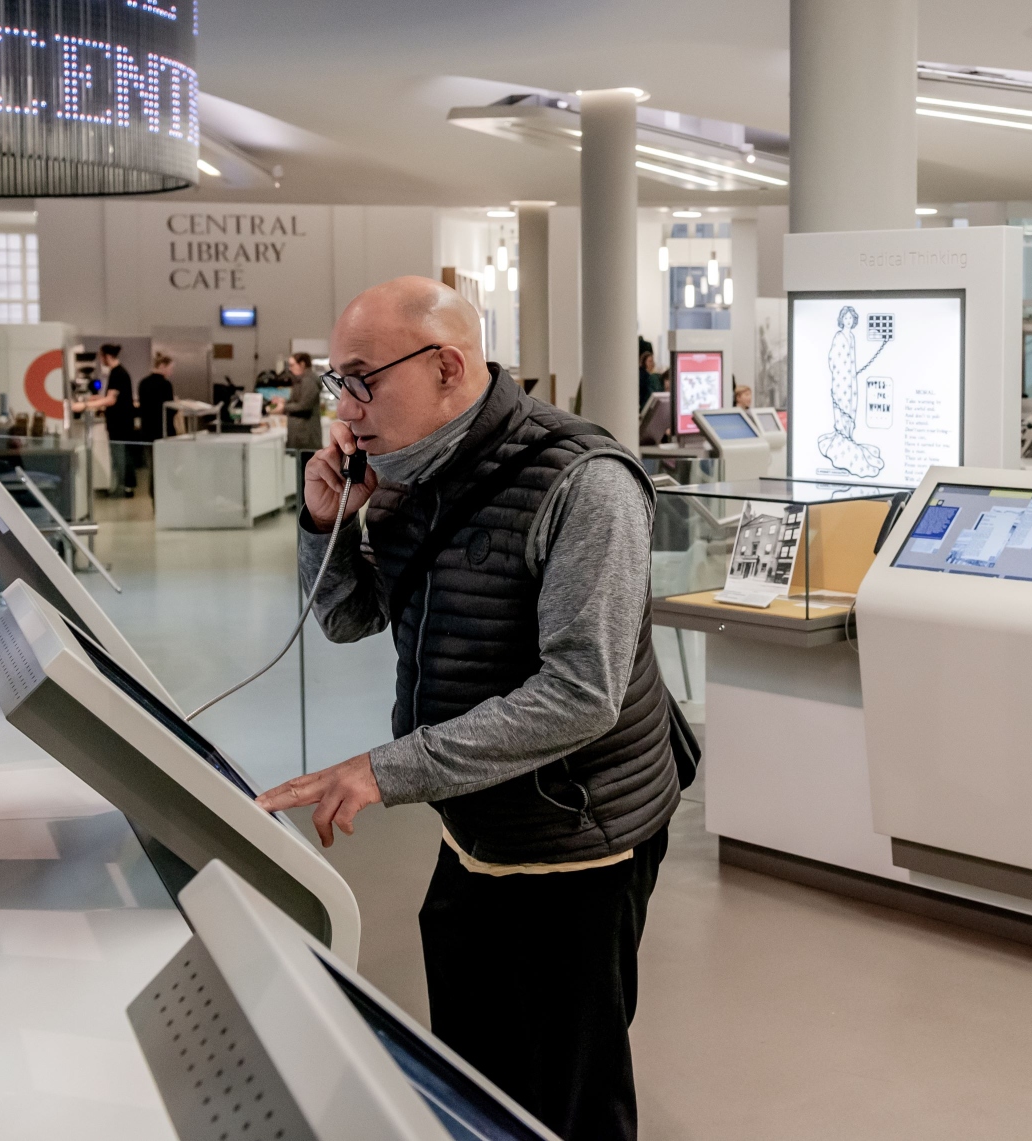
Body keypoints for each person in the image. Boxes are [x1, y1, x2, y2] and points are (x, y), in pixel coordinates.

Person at [254, 276, 677, 1141]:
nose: (346, 408)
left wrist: (386, 769)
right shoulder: (403, 472)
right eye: (338, 382)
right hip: (475, 826)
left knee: (569, 1087)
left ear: (446, 366)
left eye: (362, 379)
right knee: (473, 1072)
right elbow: (348, 617)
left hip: (576, 834)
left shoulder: (586, 482)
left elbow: (581, 692)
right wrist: (324, 522)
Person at [91, 344, 139, 497]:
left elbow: (111, 400)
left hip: (119, 423)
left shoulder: (118, 374)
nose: (100, 360)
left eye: (101, 357)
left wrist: (86, 405)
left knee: (120, 455)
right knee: (122, 454)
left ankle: (123, 486)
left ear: (107, 356)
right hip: (121, 422)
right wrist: (98, 399)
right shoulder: (118, 372)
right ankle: (124, 486)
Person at [275, 351, 324, 452]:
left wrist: (284, 407)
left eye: (292, 365)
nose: (290, 368)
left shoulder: (309, 381)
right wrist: (285, 402)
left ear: (302, 364)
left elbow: (304, 405)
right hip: (301, 433)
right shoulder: (303, 380)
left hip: (305, 435)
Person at [138, 354, 176, 446]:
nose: (171, 372)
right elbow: (170, 409)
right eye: (170, 368)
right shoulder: (166, 385)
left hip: (147, 430)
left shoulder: (143, 383)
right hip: (163, 431)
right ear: (162, 366)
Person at [637, 337, 668, 407]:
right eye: (650, 361)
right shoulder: (647, 377)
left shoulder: (646, 375)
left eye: (652, 361)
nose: (652, 364)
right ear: (644, 362)